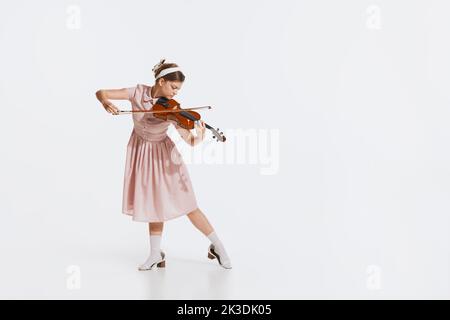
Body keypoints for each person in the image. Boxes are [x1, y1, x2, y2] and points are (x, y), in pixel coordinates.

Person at [95, 59, 231, 270]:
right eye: (173, 87)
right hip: (142, 152)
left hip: (164, 155)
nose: (175, 93)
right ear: (161, 81)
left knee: (189, 205)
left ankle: (218, 246)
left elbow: (190, 141)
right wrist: (105, 102)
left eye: (178, 89)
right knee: (152, 205)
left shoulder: (173, 110)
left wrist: (200, 135)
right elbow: (101, 92)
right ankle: (155, 254)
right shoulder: (137, 92)